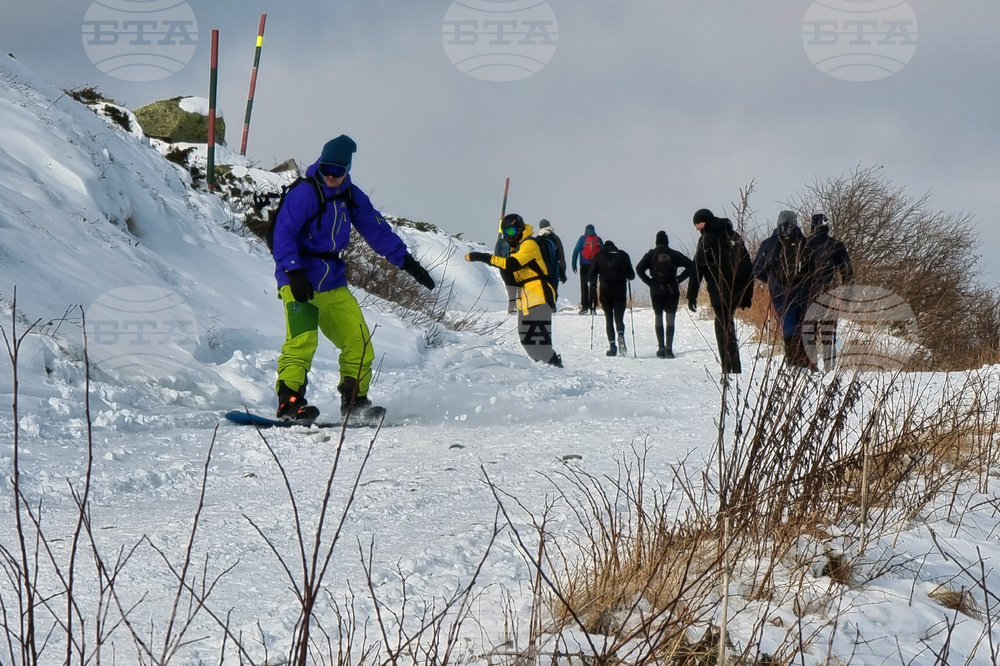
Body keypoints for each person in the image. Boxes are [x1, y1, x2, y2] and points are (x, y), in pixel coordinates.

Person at [271, 134, 435, 422]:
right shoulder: (305, 193)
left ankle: (355, 402)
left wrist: (405, 261)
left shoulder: (351, 195)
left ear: (347, 170)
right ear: (319, 164)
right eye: (326, 170)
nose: (331, 176)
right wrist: (293, 270)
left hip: (332, 281)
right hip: (298, 280)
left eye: (338, 171)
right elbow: (283, 232)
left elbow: (376, 230)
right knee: (302, 342)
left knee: (359, 341)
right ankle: (290, 404)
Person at [465, 213, 563, 367]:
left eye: (512, 232)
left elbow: (513, 264)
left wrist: (483, 257)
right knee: (526, 340)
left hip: (539, 294)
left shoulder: (529, 245)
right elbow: (508, 270)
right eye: (506, 233)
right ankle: (547, 367)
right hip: (525, 297)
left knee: (540, 340)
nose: (509, 237)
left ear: (520, 229)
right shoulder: (516, 248)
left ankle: (556, 370)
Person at [686, 208, 754, 374]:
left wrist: (691, 295)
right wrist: (747, 294)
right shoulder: (733, 236)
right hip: (736, 290)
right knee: (727, 322)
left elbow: (697, 268)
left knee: (722, 325)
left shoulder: (707, 239)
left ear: (706, 221)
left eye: (698, 223)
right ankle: (733, 366)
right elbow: (748, 266)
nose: (696, 228)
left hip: (719, 289)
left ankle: (729, 367)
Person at [752, 211, 815, 369]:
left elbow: (757, 269)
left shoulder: (768, 243)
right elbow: (815, 270)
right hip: (803, 292)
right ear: (795, 222)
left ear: (779, 222)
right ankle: (805, 362)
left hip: (779, 292)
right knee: (803, 325)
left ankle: (793, 362)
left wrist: (772, 280)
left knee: (788, 325)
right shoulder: (805, 242)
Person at [805, 213, 853, 371]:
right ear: (827, 226)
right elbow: (847, 272)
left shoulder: (805, 245)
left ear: (813, 227)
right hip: (830, 296)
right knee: (828, 335)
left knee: (809, 334)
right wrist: (845, 297)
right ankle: (829, 368)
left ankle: (812, 367)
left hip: (808, 296)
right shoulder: (837, 245)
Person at [636, 231, 694, 358]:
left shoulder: (650, 255)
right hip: (672, 289)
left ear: (656, 242)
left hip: (656, 290)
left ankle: (661, 348)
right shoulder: (674, 254)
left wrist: (650, 282)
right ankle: (669, 349)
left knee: (658, 317)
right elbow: (691, 266)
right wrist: (679, 279)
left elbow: (639, 269)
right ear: (667, 242)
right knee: (670, 318)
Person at [588, 240, 635, 356]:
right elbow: (631, 275)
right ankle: (620, 335)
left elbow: (590, 276)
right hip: (620, 291)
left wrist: (594, 283)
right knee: (619, 319)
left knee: (608, 319)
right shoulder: (623, 255)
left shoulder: (599, 256)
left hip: (605, 290)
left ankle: (612, 346)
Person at [571, 224, 602, 314]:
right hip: (594, 266)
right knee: (593, 286)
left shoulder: (582, 239)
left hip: (584, 266)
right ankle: (593, 307)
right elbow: (603, 252)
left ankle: (584, 307)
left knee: (584, 286)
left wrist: (573, 265)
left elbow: (576, 251)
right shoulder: (598, 239)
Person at [536, 219, 568, 293]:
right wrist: (562, 273)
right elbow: (561, 257)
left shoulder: (537, 239)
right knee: (553, 292)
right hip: (554, 269)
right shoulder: (555, 238)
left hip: (541, 271)